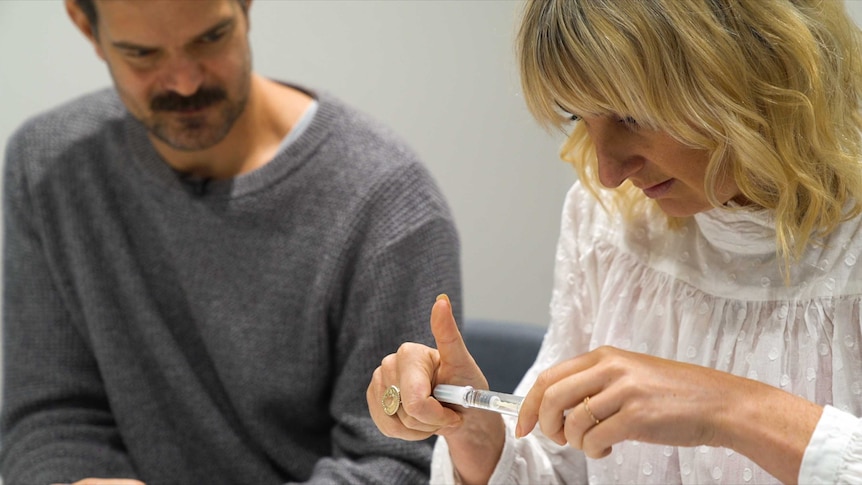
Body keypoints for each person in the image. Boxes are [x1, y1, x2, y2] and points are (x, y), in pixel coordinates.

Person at [366, 0, 862, 483]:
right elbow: (564, 463)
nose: (608, 173)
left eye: (631, 117)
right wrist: (480, 439)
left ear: (756, 68)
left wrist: (732, 409)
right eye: (580, 118)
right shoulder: (607, 221)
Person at [0, 0, 462, 483]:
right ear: (84, 25)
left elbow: (397, 463)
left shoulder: (386, 202)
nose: (185, 82)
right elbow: (50, 418)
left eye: (210, 38)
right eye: (141, 53)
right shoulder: (51, 168)